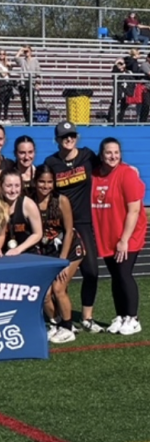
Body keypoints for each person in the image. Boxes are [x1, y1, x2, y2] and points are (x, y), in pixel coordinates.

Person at [44, 121, 103, 333]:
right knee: (61, 275)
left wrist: (127, 167)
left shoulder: (87, 155)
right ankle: (62, 318)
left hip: (84, 222)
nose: (69, 139)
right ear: (57, 140)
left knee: (91, 271)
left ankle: (87, 317)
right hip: (59, 225)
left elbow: (106, 167)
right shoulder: (51, 162)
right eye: (64, 137)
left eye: (72, 136)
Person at [92, 137, 147, 336]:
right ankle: (121, 315)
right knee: (115, 276)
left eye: (116, 152)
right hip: (108, 234)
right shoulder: (95, 175)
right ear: (101, 154)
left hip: (128, 235)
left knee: (124, 274)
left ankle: (133, 318)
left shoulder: (127, 174)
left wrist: (124, 239)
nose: (113, 156)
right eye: (108, 152)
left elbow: (133, 210)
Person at [31, 165, 83, 344]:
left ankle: (68, 328)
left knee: (59, 288)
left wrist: (63, 260)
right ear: (35, 182)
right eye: (41, 182)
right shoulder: (29, 201)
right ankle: (57, 323)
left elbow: (69, 231)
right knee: (44, 293)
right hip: (47, 252)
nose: (45, 186)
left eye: (49, 182)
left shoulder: (61, 200)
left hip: (69, 250)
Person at [0, 170, 43, 255]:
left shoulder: (28, 205)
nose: (13, 190)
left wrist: (18, 250)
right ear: (1, 186)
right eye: (9, 186)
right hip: (3, 254)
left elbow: (37, 234)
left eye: (17, 186)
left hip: (27, 253)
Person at [14, 45, 41, 122]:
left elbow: (38, 72)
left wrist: (38, 83)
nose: (26, 53)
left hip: (31, 82)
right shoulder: (22, 60)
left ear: (31, 52)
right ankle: (26, 117)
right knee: (23, 101)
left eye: (27, 51)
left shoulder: (35, 60)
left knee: (31, 101)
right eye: (25, 52)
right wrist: (21, 50)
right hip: (23, 82)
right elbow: (15, 58)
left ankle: (34, 117)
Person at [0, 49, 15, 123]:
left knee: (7, 101)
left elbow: (11, 72)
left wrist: (8, 66)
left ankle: (5, 117)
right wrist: (8, 69)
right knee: (0, 101)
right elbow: (2, 74)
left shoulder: (7, 63)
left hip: (8, 82)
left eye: (3, 54)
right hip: (2, 82)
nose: (2, 55)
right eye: (0, 54)